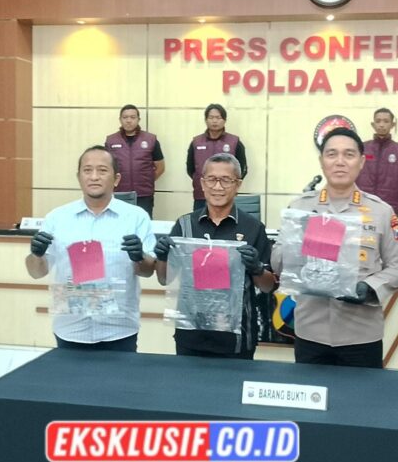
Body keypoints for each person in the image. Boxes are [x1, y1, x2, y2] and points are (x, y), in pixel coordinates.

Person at [271, 127, 398, 368]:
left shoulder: (381, 211)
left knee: (361, 394)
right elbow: (278, 263)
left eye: (349, 154)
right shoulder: (300, 208)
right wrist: (298, 241)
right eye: (332, 154)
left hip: (361, 335)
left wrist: (370, 287)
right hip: (310, 332)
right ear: (321, 161)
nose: (340, 162)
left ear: (361, 162)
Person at [25, 146, 156, 351]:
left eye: (102, 170)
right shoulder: (56, 218)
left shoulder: (136, 217)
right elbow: (36, 272)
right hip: (70, 329)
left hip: (120, 330)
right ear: (79, 177)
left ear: (116, 178)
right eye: (87, 170)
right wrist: (36, 254)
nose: (94, 176)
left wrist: (140, 256)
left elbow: (148, 271)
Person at [154, 153, 275, 358]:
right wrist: (162, 257)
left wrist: (256, 268)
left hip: (237, 337)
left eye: (226, 180)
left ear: (238, 185)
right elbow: (164, 278)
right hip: (191, 333)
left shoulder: (253, 228)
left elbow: (268, 286)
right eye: (211, 179)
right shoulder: (184, 225)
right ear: (202, 183)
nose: (218, 187)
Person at [105, 104, 165, 218]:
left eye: (132, 117)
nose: (129, 120)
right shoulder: (111, 141)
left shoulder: (151, 139)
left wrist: (146, 180)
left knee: (143, 223)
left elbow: (160, 167)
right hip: (119, 193)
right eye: (125, 117)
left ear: (138, 119)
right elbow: (106, 167)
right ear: (120, 119)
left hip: (143, 194)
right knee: (120, 224)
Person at [187, 103, 247, 210]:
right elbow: (190, 169)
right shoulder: (196, 142)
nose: (214, 121)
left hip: (226, 195)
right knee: (200, 220)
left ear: (224, 120)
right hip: (202, 196)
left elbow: (242, 169)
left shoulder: (234, 142)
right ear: (206, 120)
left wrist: (229, 184)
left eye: (218, 118)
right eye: (211, 117)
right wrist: (208, 182)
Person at [355, 107, 398, 216]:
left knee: (388, 228)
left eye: (386, 121)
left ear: (392, 124)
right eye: (378, 121)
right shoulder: (362, 148)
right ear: (373, 124)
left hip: (390, 206)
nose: (381, 125)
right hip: (363, 204)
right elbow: (352, 173)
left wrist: (394, 195)